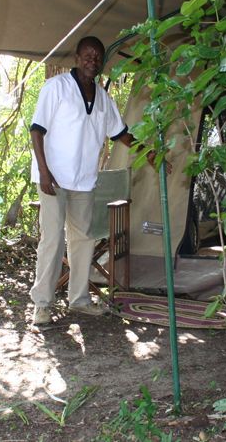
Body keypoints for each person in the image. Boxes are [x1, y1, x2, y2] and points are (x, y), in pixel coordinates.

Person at [28, 36, 148, 325]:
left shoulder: (104, 99)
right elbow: (36, 130)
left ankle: (79, 300)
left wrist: (150, 153)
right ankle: (42, 304)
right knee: (53, 240)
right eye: (88, 55)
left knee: (83, 240)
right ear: (77, 57)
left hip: (83, 181)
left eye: (97, 57)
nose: (92, 60)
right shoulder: (56, 88)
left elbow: (121, 134)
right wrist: (44, 172)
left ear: (101, 63)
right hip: (54, 179)